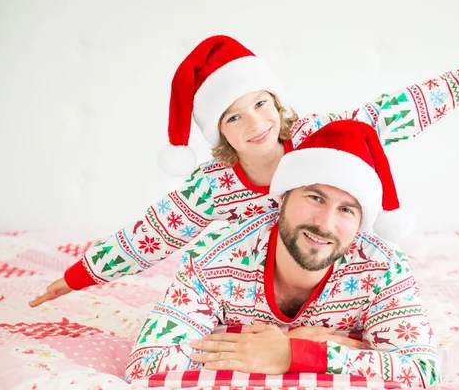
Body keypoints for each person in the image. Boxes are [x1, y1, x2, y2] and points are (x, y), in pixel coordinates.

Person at [28, 32, 459, 308]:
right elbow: (150, 235)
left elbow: (395, 113)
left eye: (262, 103)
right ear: (219, 131)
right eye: (234, 116)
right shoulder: (214, 186)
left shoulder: (317, 134)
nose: (256, 123)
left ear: (276, 101)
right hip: (266, 283)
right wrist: (75, 277)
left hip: (335, 265)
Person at [125, 120, 440, 388]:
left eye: (346, 209)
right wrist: (275, 348)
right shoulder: (212, 259)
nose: (324, 224)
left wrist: (294, 352)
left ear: (361, 223)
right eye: (315, 197)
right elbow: (146, 365)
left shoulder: (383, 267)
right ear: (284, 195)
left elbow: (422, 373)